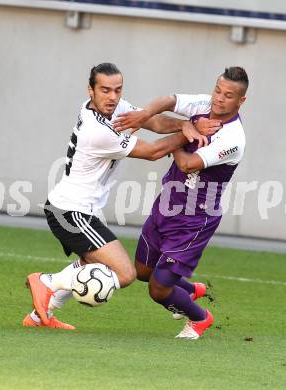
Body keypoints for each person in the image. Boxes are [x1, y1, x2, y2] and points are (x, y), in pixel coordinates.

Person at [22, 62, 213, 330]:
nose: (112, 97)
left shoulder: (112, 108)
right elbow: (153, 152)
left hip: (77, 209)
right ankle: (47, 282)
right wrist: (190, 132)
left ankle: (39, 317)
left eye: (117, 90)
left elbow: (155, 122)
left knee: (90, 263)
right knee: (124, 274)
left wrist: (185, 124)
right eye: (105, 90)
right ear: (90, 90)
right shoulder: (97, 131)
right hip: (72, 212)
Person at [113, 66, 248, 339]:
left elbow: (187, 165)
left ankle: (200, 318)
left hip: (194, 219)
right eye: (218, 91)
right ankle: (191, 290)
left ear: (241, 101)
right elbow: (169, 101)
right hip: (167, 205)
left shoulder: (233, 138)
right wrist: (146, 114)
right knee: (142, 272)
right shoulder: (203, 105)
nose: (219, 99)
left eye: (229, 95)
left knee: (158, 290)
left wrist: (183, 133)